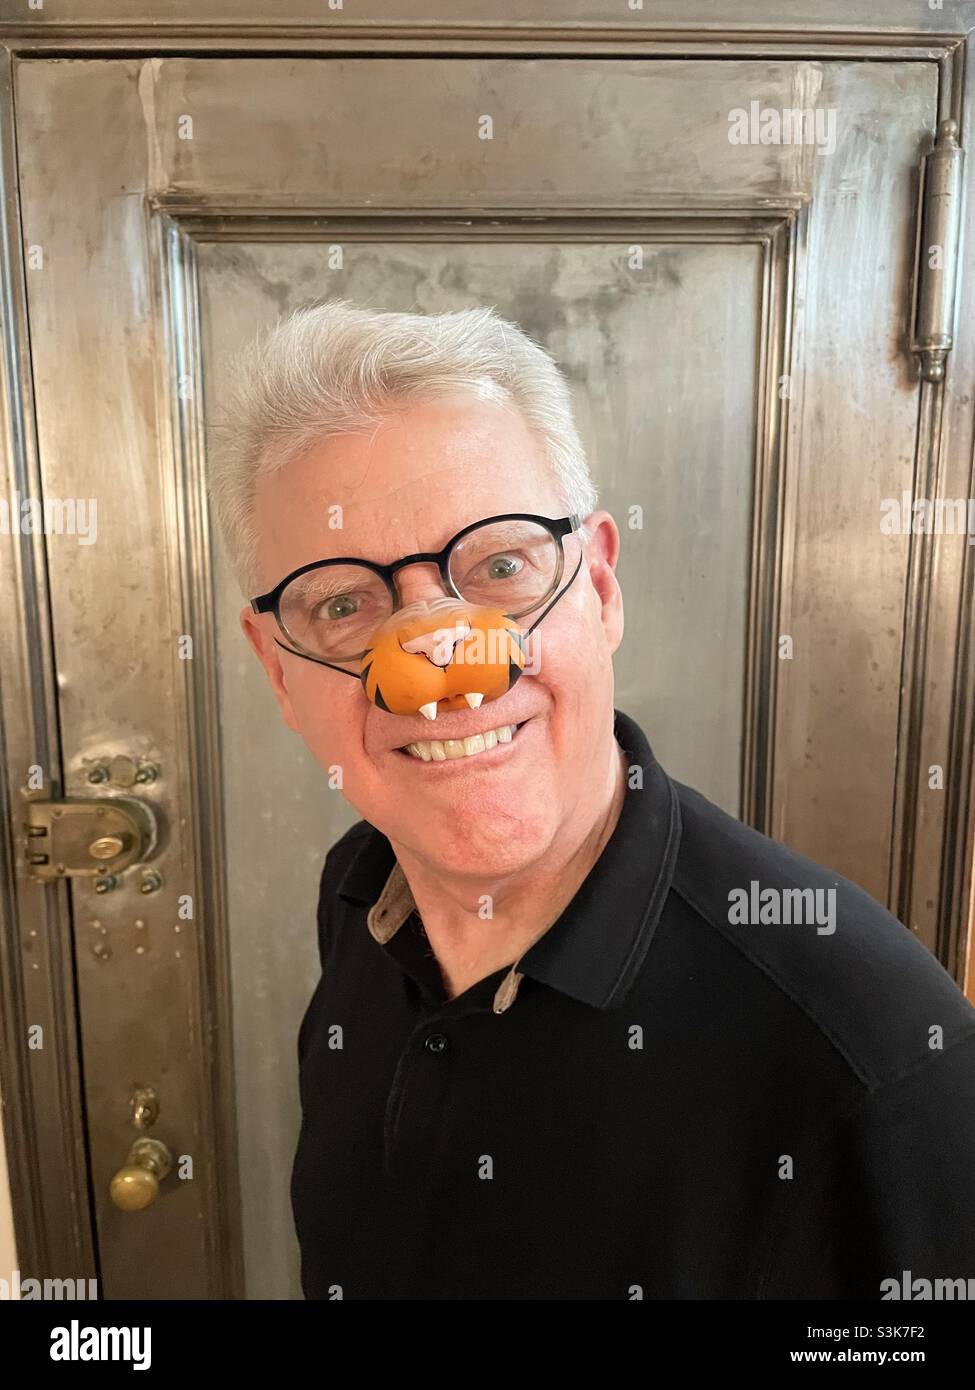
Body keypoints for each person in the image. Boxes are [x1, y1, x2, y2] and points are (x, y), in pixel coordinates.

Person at [209, 299, 975, 1300]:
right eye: (345, 604)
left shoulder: (871, 1057)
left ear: (600, 588)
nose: (442, 667)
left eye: (499, 566)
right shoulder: (358, 892)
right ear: (276, 668)